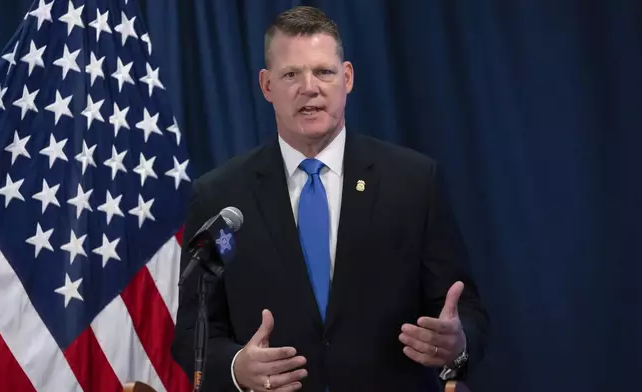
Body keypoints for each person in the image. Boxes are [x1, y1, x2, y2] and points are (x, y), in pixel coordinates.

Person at [172, 5, 489, 392]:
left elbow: (465, 311)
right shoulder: (220, 196)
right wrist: (238, 367)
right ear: (267, 86)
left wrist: (457, 344)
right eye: (291, 74)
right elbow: (192, 331)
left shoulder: (413, 182)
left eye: (324, 71)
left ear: (347, 77)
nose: (310, 87)